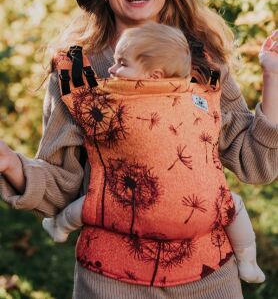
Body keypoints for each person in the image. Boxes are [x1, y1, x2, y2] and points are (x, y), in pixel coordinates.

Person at [0, 0, 277, 299]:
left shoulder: (203, 62)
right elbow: (63, 189)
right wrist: (11, 164)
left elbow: (255, 163)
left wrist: (274, 79)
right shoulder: (77, 72)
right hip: (111, 281)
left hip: (210, 279)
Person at [42, 21, 265, 284]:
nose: (112, 70)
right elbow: (213, 87)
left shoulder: (113, 108)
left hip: (133, 211)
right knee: (234, 207)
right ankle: (248, 261)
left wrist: (67, 62)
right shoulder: (202, 99)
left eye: (122, 63)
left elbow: (81, 100)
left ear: (155, 75)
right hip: (204, 214)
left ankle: (58, 227)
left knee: (92, 203)